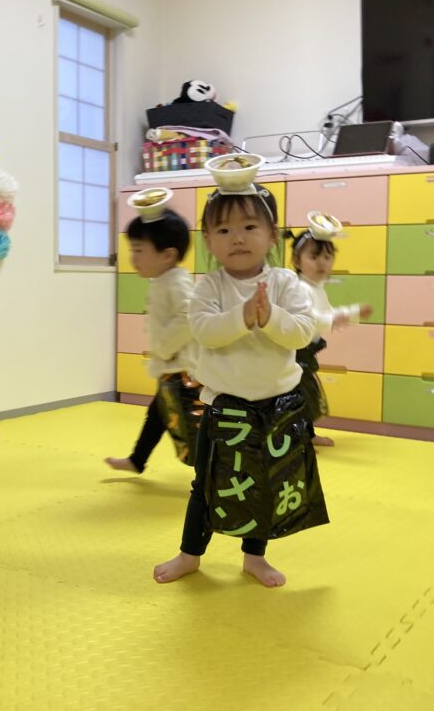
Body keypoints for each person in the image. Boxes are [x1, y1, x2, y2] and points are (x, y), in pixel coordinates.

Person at [153, 155, 332, 588]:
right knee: (206, 484)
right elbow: (205, 331)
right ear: (209, 240)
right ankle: (189, 554)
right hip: (224, 407)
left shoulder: (286, 283)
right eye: (223, 230)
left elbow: (302, 332)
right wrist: (243, 316)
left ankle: (255, 557)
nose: (237, 238)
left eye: (250, 226)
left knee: (267, 482)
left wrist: (269, 316)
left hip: (277, 407)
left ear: (271, 234)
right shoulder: (209, 287)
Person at [106, 203, 200, 473]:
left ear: (167, 255)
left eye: (138, 250)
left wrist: (165, 347)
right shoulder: (162, 280)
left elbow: (189, 315)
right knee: (157, 415)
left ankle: (209, 473)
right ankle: (137, 460)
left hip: (183, 373)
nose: (132, 257)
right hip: (171, 369)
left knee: (191, 425)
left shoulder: (176, 281)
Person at [289, 214, 372, 447]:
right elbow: (309, 318)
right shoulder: (299, 288)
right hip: (292, 354)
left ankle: (307, 434)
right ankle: (296, 439)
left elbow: (327, 313)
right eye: (314, 257)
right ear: (296, 261)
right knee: (297, 396)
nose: (321, 263)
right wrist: (337, 317)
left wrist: (352, 313)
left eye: (327, 257)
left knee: (308, 395)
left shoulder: (316, 288)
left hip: (305, 351)